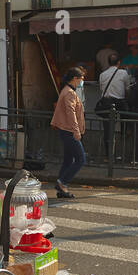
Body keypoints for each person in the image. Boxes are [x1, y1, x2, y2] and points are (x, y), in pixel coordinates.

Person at [50, 66, 86, 199]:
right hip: (69, 130)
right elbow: (71, 114)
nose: (82, 81)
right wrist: (76, 131)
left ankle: (62, 189)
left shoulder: (66, 90)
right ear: (75, 79)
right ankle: (62, 182)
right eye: (81, 79)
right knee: (81, 159)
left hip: (65, 129)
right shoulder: (69, 92)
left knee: (68, 160)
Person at [96, 58, 131, 161]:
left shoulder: (102, 74)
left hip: (106, 103)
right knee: (126, 119)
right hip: (120, 102)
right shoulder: (123, 73)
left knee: (108, 130)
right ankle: (125, 132)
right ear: (119, 62)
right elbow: (127, 88)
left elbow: (101, 89)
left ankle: (109, 155)